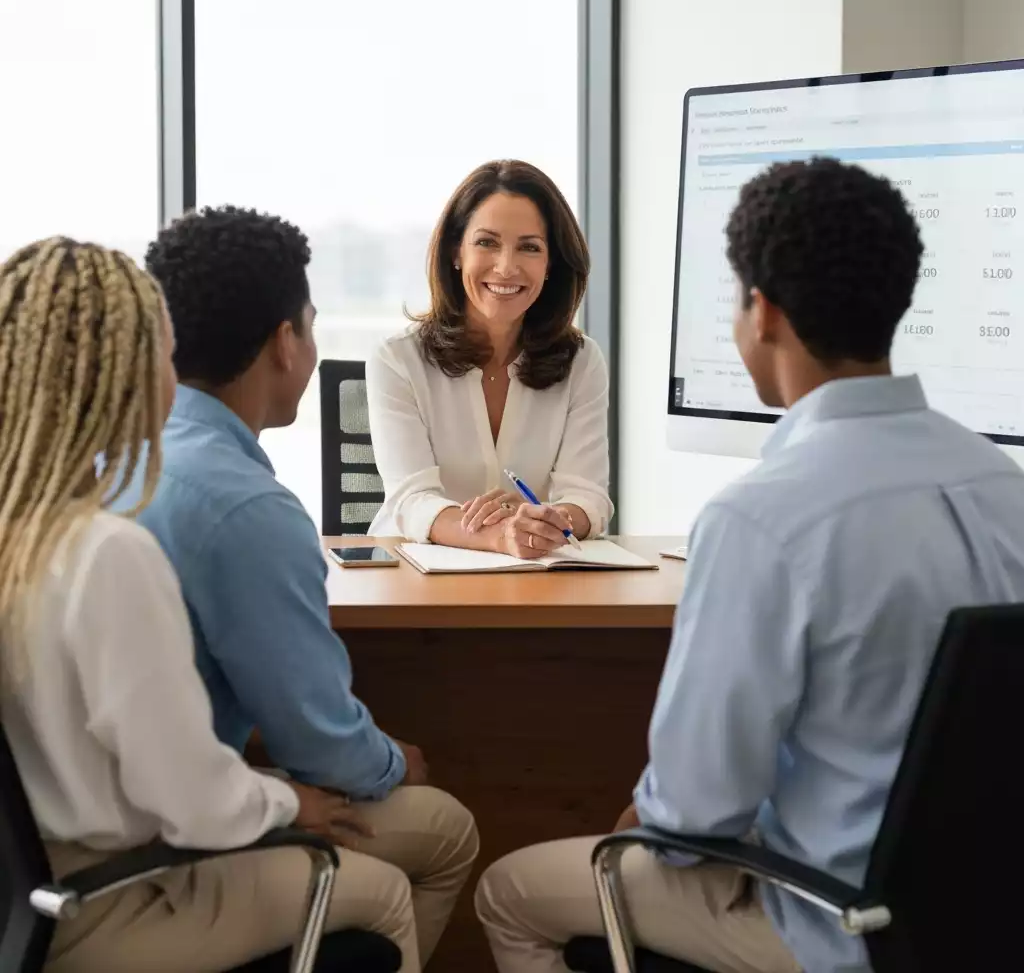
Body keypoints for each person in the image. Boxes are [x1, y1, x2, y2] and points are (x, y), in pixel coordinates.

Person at [474, 157, 1024, 973]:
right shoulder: (1004, 487)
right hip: (992, 918)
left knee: (512, 894)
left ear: (761, 312)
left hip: (835, 924)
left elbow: (693, 818)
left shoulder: (762, 519)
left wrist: (648, 816)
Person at [0, 238, 419, 970]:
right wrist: (289, 802)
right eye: (166, 354)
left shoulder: (24, 530)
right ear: (132, 374)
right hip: (110, 897)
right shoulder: (107, 553)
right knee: (383, 894)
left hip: (25, 898)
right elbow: (193, 801)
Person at [116, 207, 478, 969]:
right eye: (311, 329)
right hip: (156, 854)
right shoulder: (247, 509)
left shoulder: (114, 461)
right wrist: (395, 762)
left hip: (77, 839)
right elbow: (324, 750)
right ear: (286, 342)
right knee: (443, 829)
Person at [366, 159, 612, 559]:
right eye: (487, 242)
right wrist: (500, 535)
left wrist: (550, 522)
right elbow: (411, 501)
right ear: (456, 251)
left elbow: (589, 497)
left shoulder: (582, 361)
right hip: (411, 576)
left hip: (532, 577)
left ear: (550, 264)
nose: (506, 267)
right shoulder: (397, 359)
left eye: (529, 247)